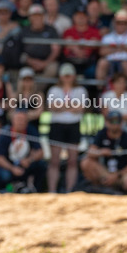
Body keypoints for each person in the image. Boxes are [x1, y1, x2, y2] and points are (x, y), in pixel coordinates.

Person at [80, 111, 127, 195]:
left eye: (117, 121)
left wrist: (117, 175)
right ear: (106, 122)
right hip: (104, 172)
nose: (114, 124)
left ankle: (123, 193)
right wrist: (101, 152)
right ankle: (99, 188)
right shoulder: (101, 134)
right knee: (86, 162)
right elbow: (90, 153)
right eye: (111, 121)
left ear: (121, 123)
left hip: (122, 173)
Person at [46, 63, 85, 193]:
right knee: (54, 161)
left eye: (69, 75)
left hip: (73, 125)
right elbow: (52, 107)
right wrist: (70, 106)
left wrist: (62, 106)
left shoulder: (80, 90)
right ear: (61, 76)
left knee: (72, 161)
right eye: (65, 75)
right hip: (58, 125)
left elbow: (80, 108)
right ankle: (52, 190)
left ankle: (70, 191)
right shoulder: (54, 90)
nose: (67, 78)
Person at [0, 110, 46, 193]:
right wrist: (12, 168)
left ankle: (34, 189)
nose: (21, 122)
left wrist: (29, 160)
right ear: (12, 120)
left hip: (24, 163)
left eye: (24, 120)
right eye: (19, 119)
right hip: (9, 165)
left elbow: (40, 151)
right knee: (4, 174)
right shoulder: (5, 133)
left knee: (41, 165)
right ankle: (5, 189)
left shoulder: (31, 130)